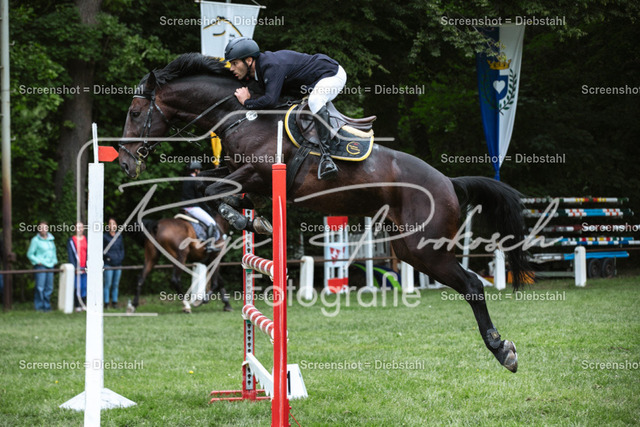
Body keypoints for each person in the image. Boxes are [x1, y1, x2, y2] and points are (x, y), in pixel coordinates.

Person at [225, 37, 344, 180]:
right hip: (309, 82)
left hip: (331, 74)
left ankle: (326, 158)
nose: (231, 68)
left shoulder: (270, 66)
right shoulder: (257, 72)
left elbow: (270, 101)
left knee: (315, 100)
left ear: (249, 60)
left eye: (235, 63)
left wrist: (247, 102)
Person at [182, 161, 220, 252]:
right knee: (211, 222)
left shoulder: (185, 179)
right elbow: (200, 199)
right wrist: (208, 209)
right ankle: (210, 245)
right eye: (199, 170)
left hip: (184, 207)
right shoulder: (195, 181)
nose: (199, 171)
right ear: (196, 170)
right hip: (193, 207)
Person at [27, 221, 58, 312]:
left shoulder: (51, 239)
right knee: (40, 287)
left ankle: (47, 306)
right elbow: (30, 254)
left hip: (50, 266)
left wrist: (54, 261)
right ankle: (39, 307)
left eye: (45, 228)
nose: (43, 230)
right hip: (41, 266)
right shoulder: (35, 240)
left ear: (47, 228)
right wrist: (38, 261)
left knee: (49, 287)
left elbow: (53, 251)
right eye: (41, 228)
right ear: (38, 229)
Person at [103, 217, 125, 309]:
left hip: (118, 264)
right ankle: (106, 303)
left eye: (114, 223)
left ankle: (115, 302)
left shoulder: (119, 237)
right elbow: (102, 250)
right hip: (108, 264)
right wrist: (109, 257)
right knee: (108, 284)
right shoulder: (104, 237)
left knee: (116, 284)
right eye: (110, 224)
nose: (112, 225)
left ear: (116, 225)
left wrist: (120, 258)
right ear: (108, 226)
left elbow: (122, 249)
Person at [67, 221, 87, 312]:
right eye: (78, 227)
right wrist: (74, 267)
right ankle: (77, 305)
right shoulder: (71, 240)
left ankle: (84, 304)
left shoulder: (86, 239)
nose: (80, 229)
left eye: (81, 227)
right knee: (77, 287)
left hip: (85, 268)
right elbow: (71, 255)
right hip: (77, 268)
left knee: (84, 287)